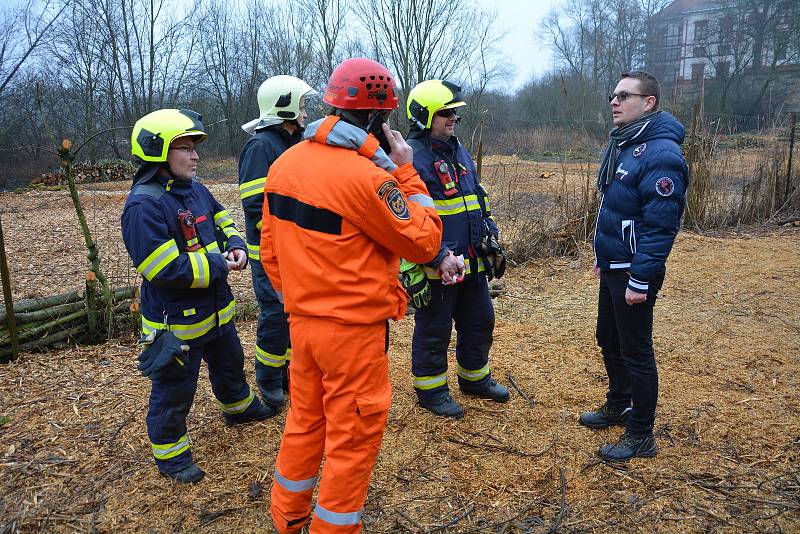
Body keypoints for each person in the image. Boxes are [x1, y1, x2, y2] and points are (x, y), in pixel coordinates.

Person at [261, 58, 442, 533]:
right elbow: (425, 243)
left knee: (305, 419)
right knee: (353, 435)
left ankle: (288, 517)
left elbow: (269, 250)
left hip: (302, 324)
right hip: (354, 333)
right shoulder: (370, 179)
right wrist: (406, 172)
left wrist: (301, 298)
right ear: (378, 121)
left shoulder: (284, 163)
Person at [122, 108, 273, 484]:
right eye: (185, 148)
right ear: (157, 152)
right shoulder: (144, 206)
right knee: (175, 391)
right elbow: (164, 269)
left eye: (194, 148)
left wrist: (236, 243)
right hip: (177, 326)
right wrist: (220, 264)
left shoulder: (195, 190)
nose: (196, 156)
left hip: (216, 314)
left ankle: (238, 408)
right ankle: (171, 455)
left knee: (230, 364)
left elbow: (222, 219)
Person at [579, 71, 688, 462]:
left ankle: (641, 434)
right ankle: (618, 402)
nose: (614, 101)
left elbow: (661, 227)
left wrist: (640, 279)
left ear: (649, 102)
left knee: (636, 350)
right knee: (608, 337)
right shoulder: (626, 144)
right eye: (613, 94)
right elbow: (615, 208)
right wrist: (601, 252)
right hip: (614, 263)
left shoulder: (661, 152)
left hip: (633, 271)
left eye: (624, 95)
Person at [401, 79, 510, 419]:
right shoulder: (411, 159)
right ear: (423, 115)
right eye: (445, 113)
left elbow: (477, 198)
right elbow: (408, 219)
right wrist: (437, 257)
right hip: (437, 268)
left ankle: (474, 378)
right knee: (434, 331)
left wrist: (489, 236)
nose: (453, 119)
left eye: (455, 113)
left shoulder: (458, 149)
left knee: (480, 321)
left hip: (470, 262)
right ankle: (431, 391)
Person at [239, 75, 317, 409]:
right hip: (270, 253)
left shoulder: (297, 142)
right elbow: (256, 204)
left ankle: (289, 373)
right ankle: (268, 379)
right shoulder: (261, 146)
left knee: (295, 315)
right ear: (282, 105)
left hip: (298, 250)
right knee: (275, 315)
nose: (305, 111)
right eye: (301, 104)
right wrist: (285, 235)